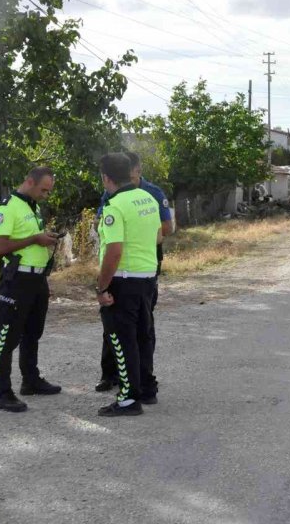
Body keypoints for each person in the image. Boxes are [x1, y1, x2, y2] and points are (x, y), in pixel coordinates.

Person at [95, 152, 174, 398]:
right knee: (143, 334)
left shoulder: (114, 206)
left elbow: (114, 251)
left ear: (106, 178)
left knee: (121, 338)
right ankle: (147, 388)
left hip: (123, 279)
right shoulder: (147, 199)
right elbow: (159, 235)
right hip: (147, 276)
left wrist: (101, 287)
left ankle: (128, 398)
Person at [0, 167, 62, 412]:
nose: (46, 195)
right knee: (8, 337)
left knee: (33, 333)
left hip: (36, 280)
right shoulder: (7, 207)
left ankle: (30, 381)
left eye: (48, 191)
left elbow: (32, 238)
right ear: (29, 181)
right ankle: (2, 392)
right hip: (17, 280)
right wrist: (35, 239)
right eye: (43, 189)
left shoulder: (33, 206)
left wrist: (44, 238)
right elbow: (0, 246)